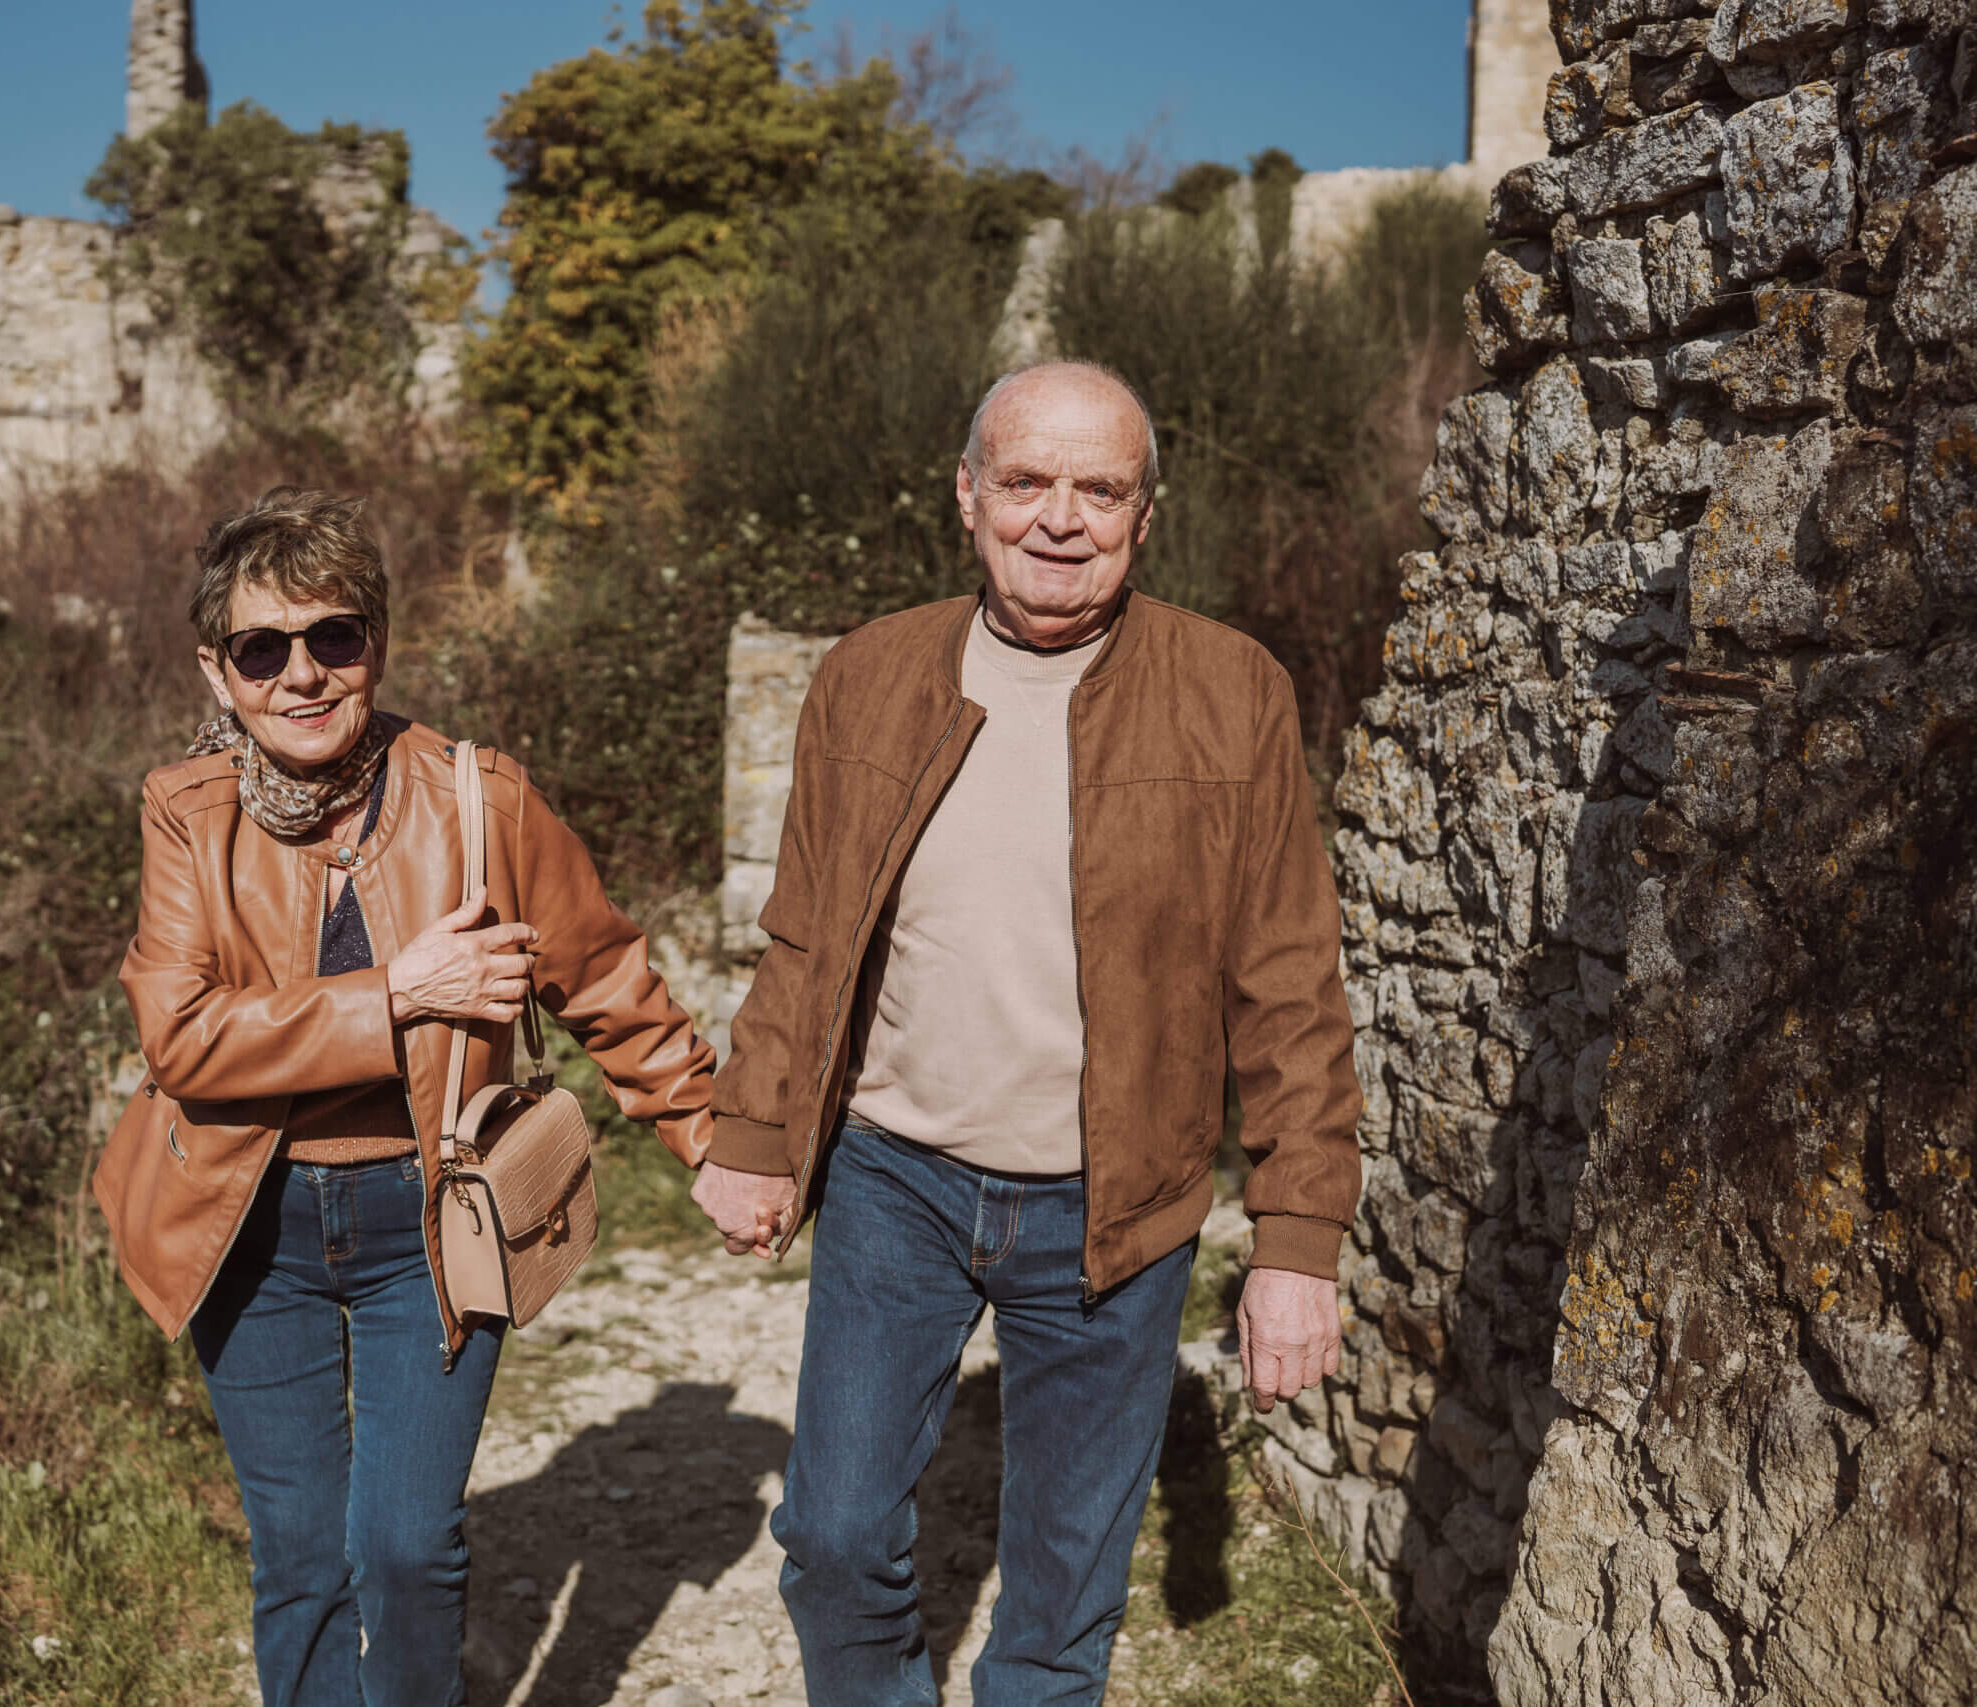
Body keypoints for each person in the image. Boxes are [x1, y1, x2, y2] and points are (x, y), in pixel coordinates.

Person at [690, 360, 1363, 1705]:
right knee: (830, 1537)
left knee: (1058, 1601)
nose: (1061, 518)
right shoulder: (871, 674)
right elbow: (807, 931)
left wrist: (1297, 1241)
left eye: (1099, 489)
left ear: (1144, 514)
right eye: (1028, 481)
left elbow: (1291, 981)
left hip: (1119, 1201)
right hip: (898, 1179)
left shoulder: (1233, 692)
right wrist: (757, 1129)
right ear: (968, 494)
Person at [93, 485, 716, 1707]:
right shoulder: (186, 814)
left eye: (335, 638)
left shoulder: (477, 800)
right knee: (302, 1564)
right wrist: (399, 994)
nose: (304, 675)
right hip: (245, 1225)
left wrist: (712, 1139)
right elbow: (183, 1038)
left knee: (404, 1548)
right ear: (219, 673)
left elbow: (603, 974)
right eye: (263, 649)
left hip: (425, 1222)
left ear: (376, 643)